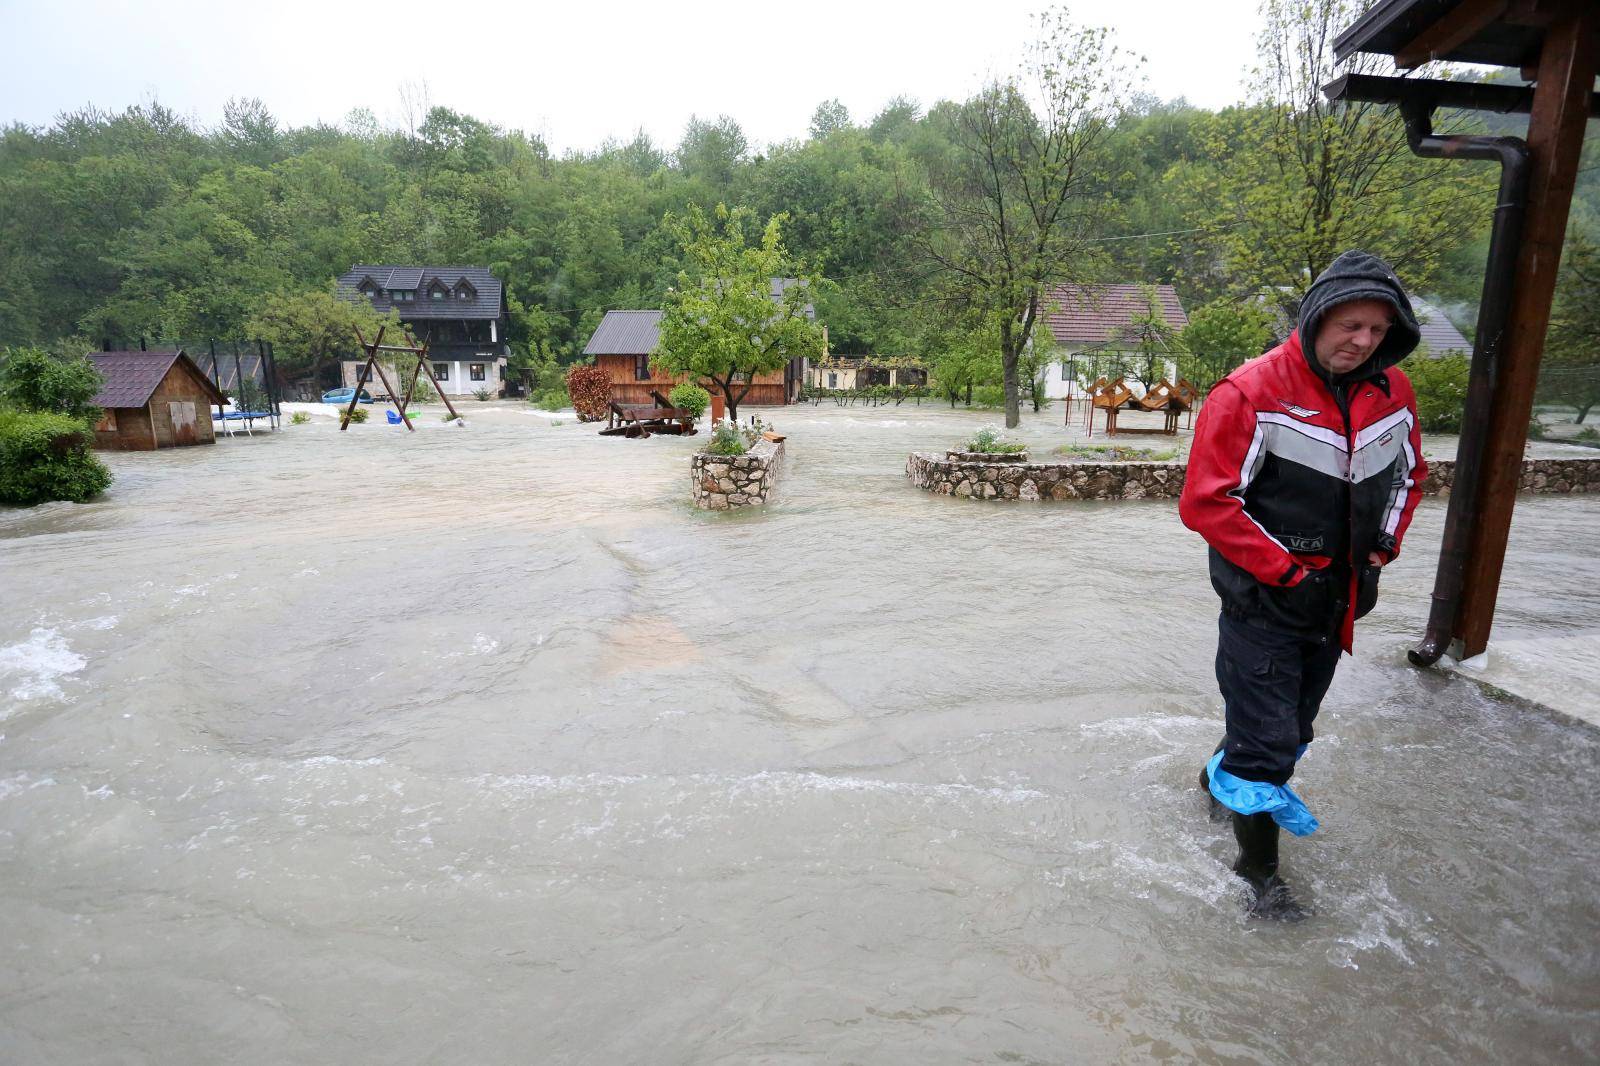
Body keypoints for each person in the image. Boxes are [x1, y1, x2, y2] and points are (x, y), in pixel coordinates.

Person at [1178, 251, 1427, 921]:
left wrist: (1379, 552)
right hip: (1262, 604)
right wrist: (1288, 573)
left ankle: (1215, 775)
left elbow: (1409, 480)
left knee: (1290, 729)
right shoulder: (1250, 392)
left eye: (1378, 330)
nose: (1363, 342)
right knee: (1266, 750)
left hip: (1339, 604)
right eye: (1350, 325)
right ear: (1317, 318)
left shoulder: (1392, 394)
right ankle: (1257, 874)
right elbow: (1207, 503)